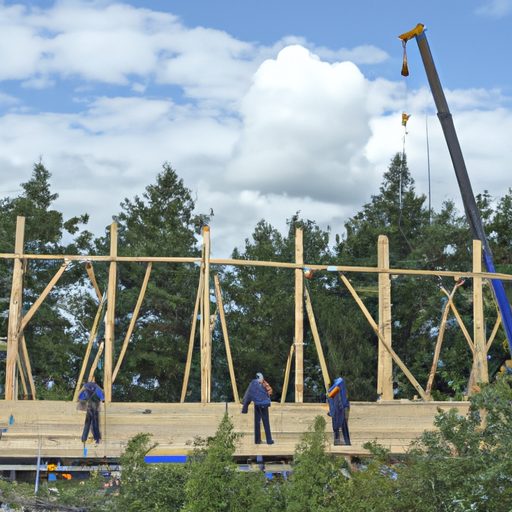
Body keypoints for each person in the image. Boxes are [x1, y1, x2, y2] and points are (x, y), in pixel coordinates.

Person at [241, 372, 274, 445]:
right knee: (266, 423)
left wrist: (244, 407)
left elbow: (248, 395)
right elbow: (270, 392)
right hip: (264, 404)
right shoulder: (265, 383)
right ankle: (269, 440)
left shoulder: (252, 384)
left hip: (257, 404)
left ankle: (257, 440)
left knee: (257, 423)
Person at [78, 378, 105, 444]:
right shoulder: (97, 388)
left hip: (89, 409)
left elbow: (80, 397)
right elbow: (103, 398)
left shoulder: (86, 389)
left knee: (87, 424)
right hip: (95, 409)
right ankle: (97, 439)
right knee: (95, 424)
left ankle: (84, 439)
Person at [327, 376, 351, 446]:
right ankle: (345, 442)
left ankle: (339, 441)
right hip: (344, 408)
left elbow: (331, 398)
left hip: (340, 410)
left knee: (339, 425)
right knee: (343, 426)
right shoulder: (341, 385)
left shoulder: (337, 387)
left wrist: (332, 411)